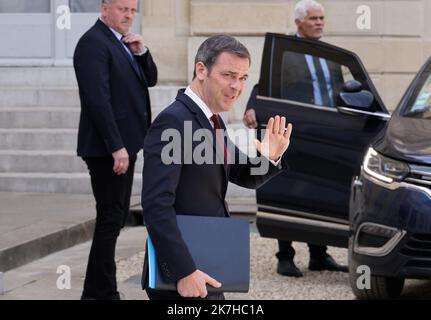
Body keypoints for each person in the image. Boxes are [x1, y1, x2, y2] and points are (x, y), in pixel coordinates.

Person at [141, 35, 293, 300]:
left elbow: (240, 173)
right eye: (229, 75)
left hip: (206, 264)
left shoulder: (213, 121)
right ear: (201, 70)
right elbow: (156, 204)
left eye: (243, 78)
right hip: (182, 277)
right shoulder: (173, 122)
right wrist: (183, 272)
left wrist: (269, 157)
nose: (237, 86)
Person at [243, 0, 347, 278]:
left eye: (322, 18)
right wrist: (252, 105)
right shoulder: (286, 51)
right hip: (291, 130)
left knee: (321, 191)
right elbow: (262, 83)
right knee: (287, 189)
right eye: (313, 18)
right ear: (298, 22)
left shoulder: (330, 55)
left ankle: (318, 255)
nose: (319, 23)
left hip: (323, 134)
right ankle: (285, 257)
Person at [73, 0, 157, 300]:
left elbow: (151, 79)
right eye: (122, 8)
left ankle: (96, 290)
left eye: (133, 10)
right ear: (105, 8)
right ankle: (101, 292)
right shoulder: (93, 43)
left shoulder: (122, 43)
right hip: (107, 149)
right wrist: (116, 146)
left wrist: (142, 52)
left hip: (125, 145)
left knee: (114, 216)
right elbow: (98, 100)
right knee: (111, 217)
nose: (128, 15)